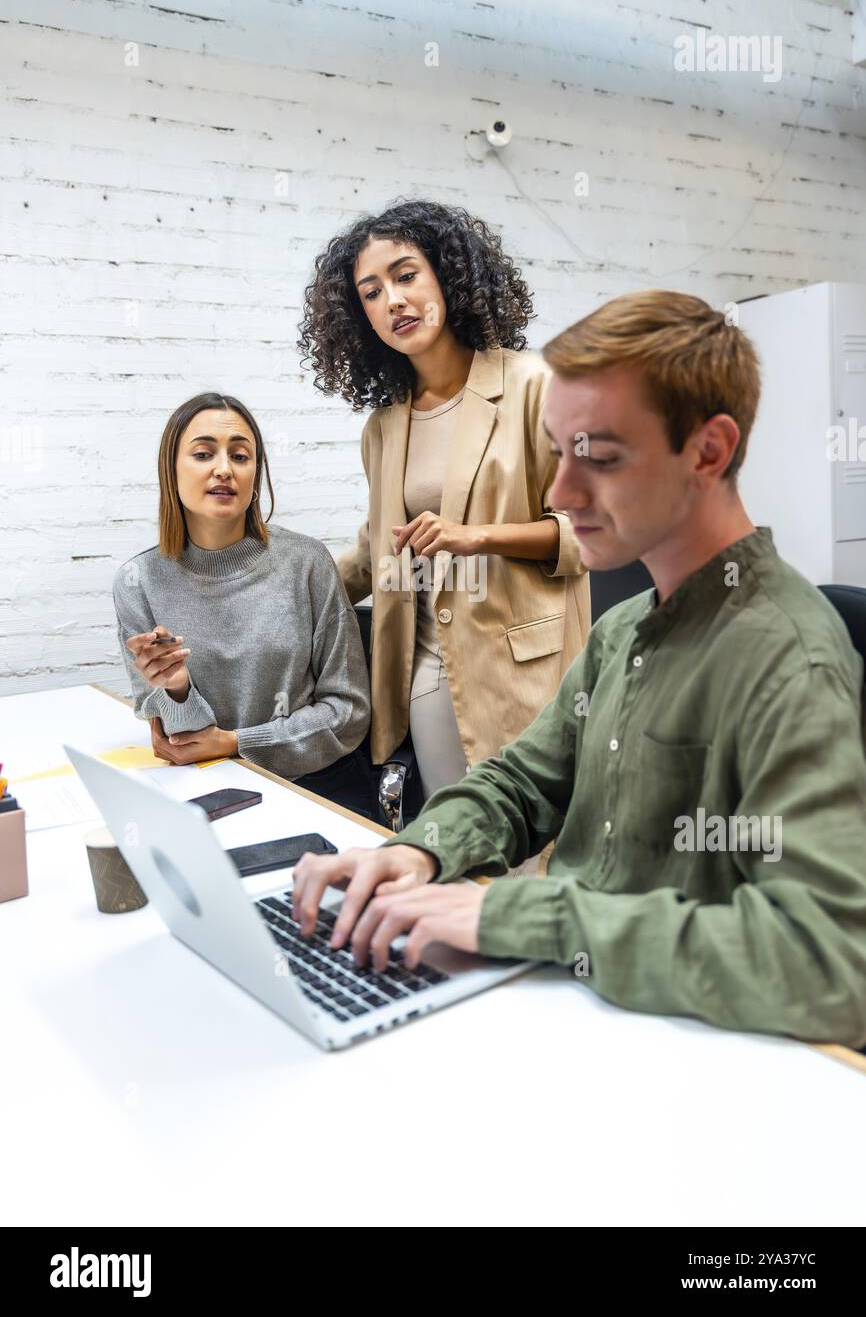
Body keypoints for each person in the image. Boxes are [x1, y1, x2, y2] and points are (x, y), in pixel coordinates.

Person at [289, 290, 866, 1047]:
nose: (560, 492)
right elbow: (522, 783)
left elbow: (830, 966)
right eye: (560, 453)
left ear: (709, 451)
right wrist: (417, 852)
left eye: (598, 455)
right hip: (572, 1009)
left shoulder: (787, 657)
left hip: (679, 1055)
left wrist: (519, 915)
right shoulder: (624, 626)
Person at [299, 199, 590, 803]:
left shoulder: (538, 387)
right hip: (429, 674)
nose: (394, 301)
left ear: (449, 276)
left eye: (406, 276)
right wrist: (274, 589)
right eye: (371, 292)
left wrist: (476, 536)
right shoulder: (384, 427)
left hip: (530, 673)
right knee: (458, 853)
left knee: (538, 867)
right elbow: (376, 553)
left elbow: (591, 532)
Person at [112, 393, 370, 809]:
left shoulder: (306, 563)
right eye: (202, 453)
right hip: (201, 791)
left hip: (310, 789)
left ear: (255, 474)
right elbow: (181, 741)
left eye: (240, 456)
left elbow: (349, 711)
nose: (223, 469)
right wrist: (176, 689)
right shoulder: (139, 581)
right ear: (171, 471)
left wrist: (236, 742)